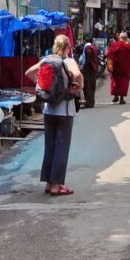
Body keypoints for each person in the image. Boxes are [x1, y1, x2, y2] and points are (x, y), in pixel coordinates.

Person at [25, 34, 83, 196]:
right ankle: (57, 185)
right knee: (61, 148)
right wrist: (77, 87)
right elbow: (77, 75)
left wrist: (42, 88)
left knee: (50, 146)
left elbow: (29, 72)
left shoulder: (47, 60)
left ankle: (49, 183)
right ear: (67, 47)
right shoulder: (69, 61)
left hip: (48, 110)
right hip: (64, 111)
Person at [106, 31, 130, 105]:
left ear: (120, 38)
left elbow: (109, 54)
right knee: (124, 82)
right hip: (125, 68)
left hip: (116, 67)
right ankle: (121, 98)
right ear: (126, 38)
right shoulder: (128, 47)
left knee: (115, 81)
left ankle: (115, 96)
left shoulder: (115, 45)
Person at [79, 34, 98, 109]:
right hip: (93, 69)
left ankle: (89, 103)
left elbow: (85, 60)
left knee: (87, 86)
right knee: (92, 85)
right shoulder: (94, 47)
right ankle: (91, 102)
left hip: (87, 69)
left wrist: (83, 67)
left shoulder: (87, 48)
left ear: (84, 40)